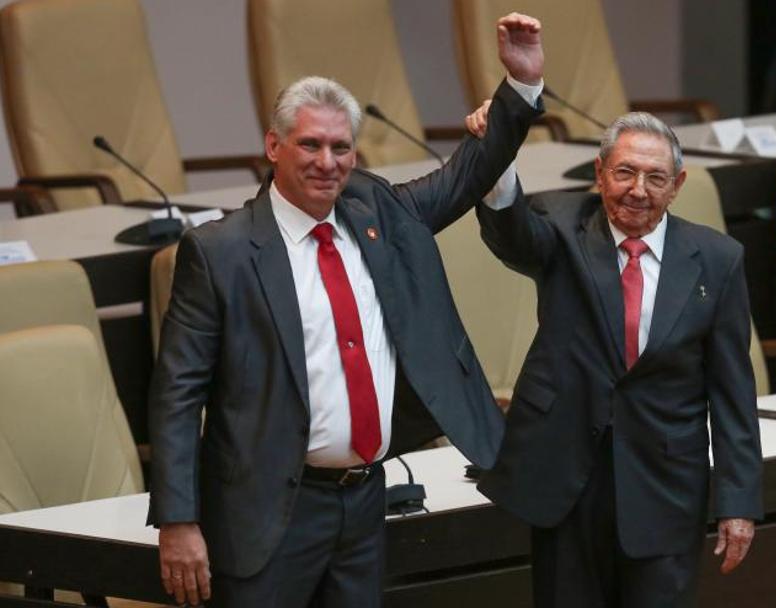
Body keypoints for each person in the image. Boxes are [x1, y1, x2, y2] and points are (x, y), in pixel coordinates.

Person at [147, 13, 544, 607]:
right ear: (274, 146)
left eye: (340, 148)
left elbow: (464, 178)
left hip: (362, 503)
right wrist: (178, 520)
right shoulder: (220, 252)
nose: (326, 162)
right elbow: (178, 393)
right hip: (268, 512)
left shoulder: (377, 211)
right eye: (309, 144)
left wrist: (520, 88)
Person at [466, 109, 763, 607]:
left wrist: (739, 503)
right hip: (568, 483)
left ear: (678, 184)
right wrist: (495, 153)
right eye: (624, 172)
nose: (638, 190)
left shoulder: (717, 258)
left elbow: (732, 391)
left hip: (665, 486)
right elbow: (511, 232)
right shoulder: (562, 228)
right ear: (600, 173)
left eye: (655, 177)